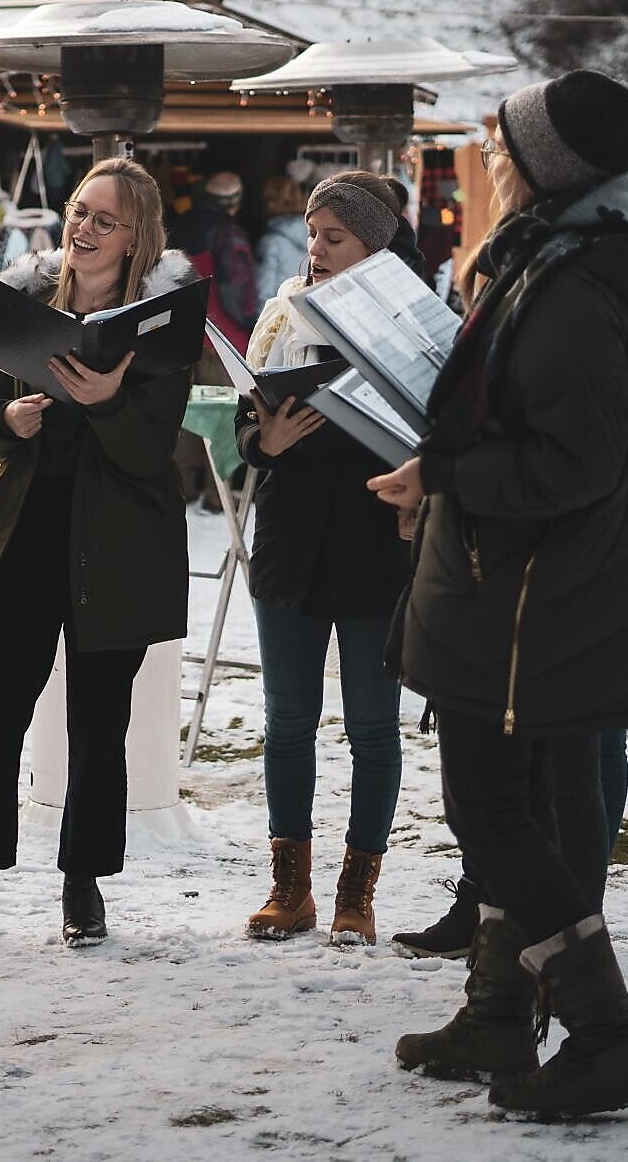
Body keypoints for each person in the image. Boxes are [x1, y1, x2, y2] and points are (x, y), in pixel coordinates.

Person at [368, 70, 628, 1119]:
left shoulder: (575, 288)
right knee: (519, 811)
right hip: (542, 592)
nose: (490, 163)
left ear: (547, 168)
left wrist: (450, 473)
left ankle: (608, 1041)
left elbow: (576, 464)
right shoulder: (598, 264)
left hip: (523, 600)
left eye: (504, 147)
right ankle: (500, 1013)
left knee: (492, 812)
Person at [0, 156, 198, 948]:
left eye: (103, 219)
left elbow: (153, 453)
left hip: (116, 549)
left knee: (97, 723)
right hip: (26, 536)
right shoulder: (27, 303)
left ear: (135, 236)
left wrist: (107, 401)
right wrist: (5, 427)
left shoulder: (159, 325)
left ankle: (82, 883)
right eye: (79, 210)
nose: (82, 228)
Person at [235, 172, 415, 947]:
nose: (315, 250)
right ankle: (291, 889)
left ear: (372, 244)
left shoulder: (411, 318)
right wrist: (262, 442)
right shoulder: (280, 313)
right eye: (312, 234)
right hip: (290, 544)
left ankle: (356, 891)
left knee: (373, 729)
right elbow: (249, 420)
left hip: (376, 542)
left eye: (334, 237)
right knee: (287, 723)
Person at [173, 169, 260, 351]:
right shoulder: (229, 233)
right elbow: (238, 291)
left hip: (188, 337)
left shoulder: (180, 225)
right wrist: (256, 325)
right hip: (227, 339)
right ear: (237, 200)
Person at [255, 172, 308, 305]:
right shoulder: (313, 234)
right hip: (305, 310)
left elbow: (264, 290)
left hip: (280, 314)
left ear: (272, 202)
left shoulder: (271, 242)